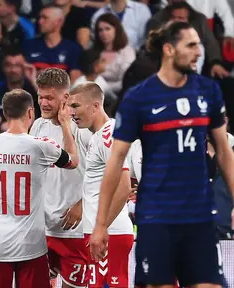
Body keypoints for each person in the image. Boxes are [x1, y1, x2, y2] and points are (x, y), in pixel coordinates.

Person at [90, 21, 234, 288]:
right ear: (169, 49)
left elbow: (224, 153)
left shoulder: (208, 92)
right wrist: (101, 225)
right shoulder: (139, 98)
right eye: (190, 45)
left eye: (199, 45)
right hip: (157, 218)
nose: (199, 52)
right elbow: (116, 162)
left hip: (199, 216)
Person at [0, 88, 78, 288]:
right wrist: (66, 125)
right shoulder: (42, 146)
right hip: (32, 246)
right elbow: (73, 161)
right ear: (31, 113)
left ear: (5, 114)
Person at [30, 68, 92, 288]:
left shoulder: (83, 129)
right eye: (40, 97)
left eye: (50, 98)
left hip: (74, 230)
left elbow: (104, 174)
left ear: (66, 98)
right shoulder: (38, 126)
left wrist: (83, 203)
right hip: (42, 228)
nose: (43, 103)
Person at [68, 82, 133, 288]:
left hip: (109, 234)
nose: (72, 112)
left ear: (95, 106)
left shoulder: (108, 135)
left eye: (76, 106)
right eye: (70, 107)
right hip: (102, 232)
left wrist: (101, 228)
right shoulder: (98, 136)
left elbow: (124, 186)